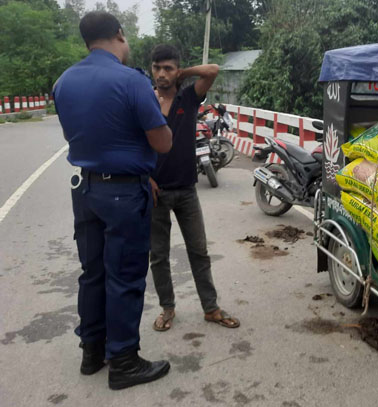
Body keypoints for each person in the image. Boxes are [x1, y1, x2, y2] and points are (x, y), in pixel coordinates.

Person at [53, 12, 173, 390]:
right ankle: (123, 360)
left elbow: (76, 135)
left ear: (86, 40)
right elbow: (163, 142)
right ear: (119, 34)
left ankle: (92, 351)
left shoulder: (63, 82)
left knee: (93, 273)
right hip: (122, 193)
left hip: (84, 189)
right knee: (124, 276)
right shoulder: (131, 80)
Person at [148, 44, 240, 331]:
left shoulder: (188, 97)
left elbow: (213, 70)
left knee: (199, 251)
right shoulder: (145, 100)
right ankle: (167, 309)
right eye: (157, 68)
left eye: (168, 68)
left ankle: (210, 308)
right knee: (159, 256)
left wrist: (182, 74)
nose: (161, 74)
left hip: (187, 190)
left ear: (177, 71)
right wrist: (144, 176)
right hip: (155, 192)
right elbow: (133, 142)